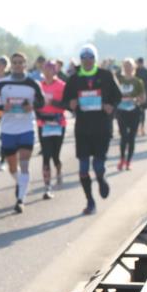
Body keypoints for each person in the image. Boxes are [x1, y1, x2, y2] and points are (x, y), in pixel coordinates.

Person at [63, 44, 122, 215]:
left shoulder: (105, 75)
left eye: (90, 58)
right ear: (80, 60)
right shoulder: (74, 79)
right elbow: (65, 101)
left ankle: (101, 179)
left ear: (95, 59)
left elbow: (117, 97)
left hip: (102, 127)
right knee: (82, 168)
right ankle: (90, 201)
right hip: (82, 128)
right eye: (84, 58)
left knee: (97, 165)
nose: (87, 61)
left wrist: (111, 106)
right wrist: (70, 104)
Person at [0, 53, 45, 213]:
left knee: (24, 164)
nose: (18, 65)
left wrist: (31, 106)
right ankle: (21, 183)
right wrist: (1, 108)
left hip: (26, 128)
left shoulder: (33, 83)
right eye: (15, 63)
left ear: (25, 64)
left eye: (21, 62)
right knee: (13, 167)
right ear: (11, 65)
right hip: (8, 129)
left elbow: (42, 102)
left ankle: (20, 199)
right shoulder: (2, 83)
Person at [37, 59, 67, 198]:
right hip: (43, 123)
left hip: (58, 123)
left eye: (50, 69)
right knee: (46, 155)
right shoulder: (39, 86)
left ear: (55, 71)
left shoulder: (61, 85)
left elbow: (66, 104)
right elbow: (35, 103)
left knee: (55, 155)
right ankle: (47, 187)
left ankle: (59, 171)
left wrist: (52, 102)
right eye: (45, 69)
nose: (47, 72)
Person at [115, 58, 146, 171]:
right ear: (123, 67)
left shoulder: (138, 82)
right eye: (126, 66)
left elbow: (143, 98)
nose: (128, 68)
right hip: (121, 111)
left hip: (134, 111)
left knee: (132, 137)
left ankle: (128, 161)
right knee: (123, 136)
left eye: (130, 66)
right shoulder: (119, 80)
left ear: (134, 68)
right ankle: (122, 158)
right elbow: (114, 95)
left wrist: (135, 99)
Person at [135, 57, 147, 136]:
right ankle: (136, 129)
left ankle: (142, 128)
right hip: (135, 94)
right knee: (136, 113)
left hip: (143, 94)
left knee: (142, 112)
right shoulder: (135, 71)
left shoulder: (146, 72)